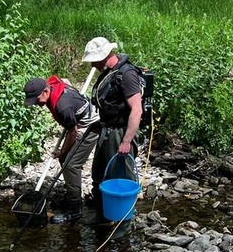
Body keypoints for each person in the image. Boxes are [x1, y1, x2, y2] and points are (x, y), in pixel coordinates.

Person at [23, 74, 100, 210]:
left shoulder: (62, 106)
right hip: (77, 122)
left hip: (91, 126)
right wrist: (63, 154)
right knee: (64, 159)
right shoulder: (51, 86)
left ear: (45, 91)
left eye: (36, 100)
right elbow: (65, 81)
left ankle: (74, 206)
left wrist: (62, 151)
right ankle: (70, 193)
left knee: (71, 164)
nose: (36, 104)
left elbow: (73, 133)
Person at [81, 37, 144, 202]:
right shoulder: (109, 73)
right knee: (100, 174)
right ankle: (101, 208)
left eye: (94, 61)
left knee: (120, 176)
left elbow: (137, 110)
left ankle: (122, 214)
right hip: (106, 130)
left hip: (120, 132)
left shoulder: (127, 74)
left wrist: (126, 141)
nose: (92, 65)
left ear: (105, 56)